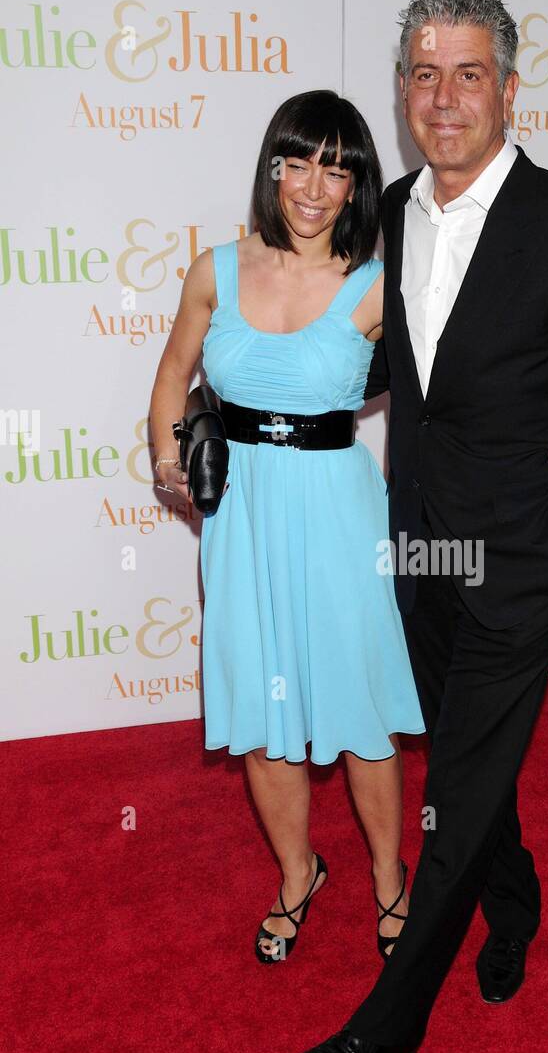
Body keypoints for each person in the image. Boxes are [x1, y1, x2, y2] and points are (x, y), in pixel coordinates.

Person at [285, 0, 548, 1053]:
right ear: (400, 91)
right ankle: (517, 899)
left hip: (521, 560)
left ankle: (387, 1027)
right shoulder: (383, 213)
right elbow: (374, 369)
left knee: (453, 798)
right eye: (424, 75)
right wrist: (245, 414)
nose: (445, 98)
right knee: (475, 768)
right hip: (421, 554)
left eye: (468, 74)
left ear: (508, 88)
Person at [148, 91, 426, 966]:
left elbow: (442, 398)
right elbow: (171, 376)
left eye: (337, 166)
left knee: (359, 712)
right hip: (241, 515)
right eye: (299, 161)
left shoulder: (380, 285)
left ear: (357, 185)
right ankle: (298, 874)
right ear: (274, 167)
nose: (315, 185)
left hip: (340, 514)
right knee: (261, 716)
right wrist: (167, 459)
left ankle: (389, 879)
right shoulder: (215, 269)